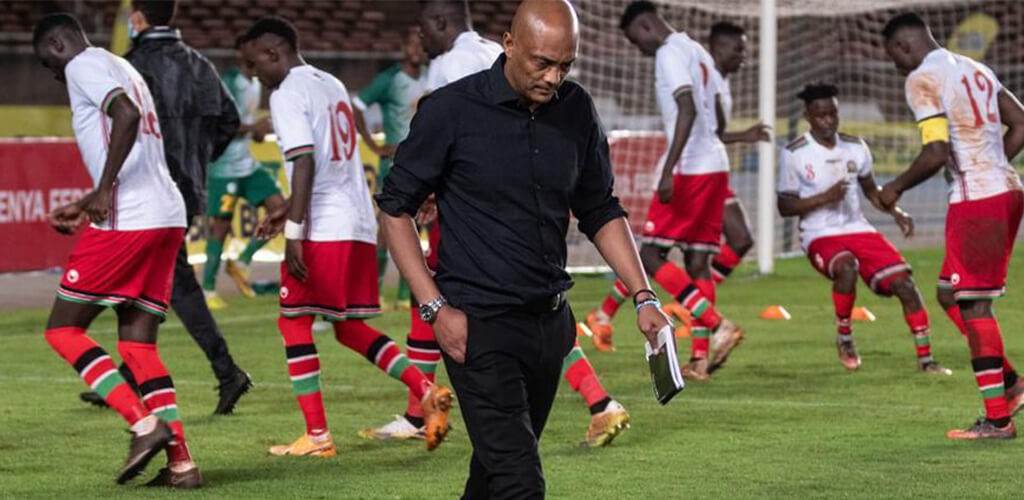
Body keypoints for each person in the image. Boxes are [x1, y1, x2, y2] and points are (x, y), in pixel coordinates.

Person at [377, 0, 671, 496]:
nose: (554, 77)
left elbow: (600, 208)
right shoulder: (450, 110)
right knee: (520, 481)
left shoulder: (576, 109)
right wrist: (434, 309)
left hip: (550, 328)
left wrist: (644, 297)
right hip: (477, 328)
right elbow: (394, 209)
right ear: (509, 44)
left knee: (494, 475)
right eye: (543, 63)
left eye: (565, 65)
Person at [239, 16, 454, 457]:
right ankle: (426, 390)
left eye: (254, 63)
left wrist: (294, 232)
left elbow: (304, 162)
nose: (253, 73)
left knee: (292, 321)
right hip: (355, 223)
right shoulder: (331, 84)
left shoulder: (287, 93)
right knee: (348, 328)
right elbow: (328, 163)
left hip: (323, 228)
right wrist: (287, 210)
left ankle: (317, 436)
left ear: (273, 52)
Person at [33, 13, 200, 487]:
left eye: (48, 62)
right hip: (165, 214)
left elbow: (124, 114)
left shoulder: (82, 65)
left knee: (63, 330)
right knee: (137, 345)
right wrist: (90, 198)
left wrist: (103, 189)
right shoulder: (120, 65)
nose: (53, 73)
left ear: (57, 44)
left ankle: (144, 425)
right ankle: (182, 464)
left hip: (131, 216)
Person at [76, 0, 253, 415]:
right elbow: (229, 120)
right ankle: (131, 374)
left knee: (175, 283)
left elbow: (120, 125)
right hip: (189, 187)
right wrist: (199, 159)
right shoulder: (201, 65)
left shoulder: (131, 65)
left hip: (149, 192)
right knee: (150, 281)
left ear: (137, 18)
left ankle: (227, 371)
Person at [879, 13, 1024, 439]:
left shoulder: (922, 78)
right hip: (1005, 189)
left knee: (975, 305)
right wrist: (992, 166)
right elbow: (1021, 122)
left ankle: (998, 420)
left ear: (903, 46)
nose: (896, 67)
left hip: (978, 199)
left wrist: (894, 188)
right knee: (950, 293)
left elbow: (935, 152)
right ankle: (1011, 383)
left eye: (893, 57)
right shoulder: (975, 68)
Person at [777, 82, 953, 375]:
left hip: (858, 228)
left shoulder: (855, 147)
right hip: (819, 234)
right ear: (808, 116)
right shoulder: (795, 153)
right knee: (847, 267)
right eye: (821, 115)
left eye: (833, 113)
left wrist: (895, 211)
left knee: (905, 285)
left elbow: (871, 190)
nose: (828, 121)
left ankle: (927, 360)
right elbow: (785, 206)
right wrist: (823, 197)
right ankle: (845, 336)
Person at [613, 0, 743, 379]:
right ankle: (700, 358)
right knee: (698, 261)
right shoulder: (696, 49)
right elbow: (717, 112)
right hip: (715, 162)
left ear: (646, 26)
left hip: (690, 168)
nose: (638, 48)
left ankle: (717, 324)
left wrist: (669, 168)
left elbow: (686, 107)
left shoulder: (668, 52)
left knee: (649, 256)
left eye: (634, 39)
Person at [202, 36, 285, 310]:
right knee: (220, 227)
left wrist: (258, 132)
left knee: (281, 209)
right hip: (224, 168)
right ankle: (208, 290)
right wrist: (253, 128)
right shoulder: (229, 82)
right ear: (240, 53)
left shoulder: (255, 82)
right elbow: (218, 123)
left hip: (247, 164)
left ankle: (241, 261)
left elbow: (248, 128)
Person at [353, 26, 429, 309]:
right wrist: (373, 146)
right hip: (394, 164)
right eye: (413, 44)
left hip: (424, 163)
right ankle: (374, 292)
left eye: (421, 44)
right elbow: (356, 105)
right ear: (403, 47)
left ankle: (405, 296)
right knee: (388, 230)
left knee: (418, 227)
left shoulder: (430, 76)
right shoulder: (389, 79)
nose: (417, 50)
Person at [707, 21, 769, 284]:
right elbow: (703, 133)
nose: (743, 55)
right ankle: (695, 298)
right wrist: (745, 135)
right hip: (695, 173)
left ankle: (696, 298)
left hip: (709, 173)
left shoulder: (720, 81)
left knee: (740, 239)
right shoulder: (707, 80)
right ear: (717, 47)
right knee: (657, 251)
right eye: (738, 49)